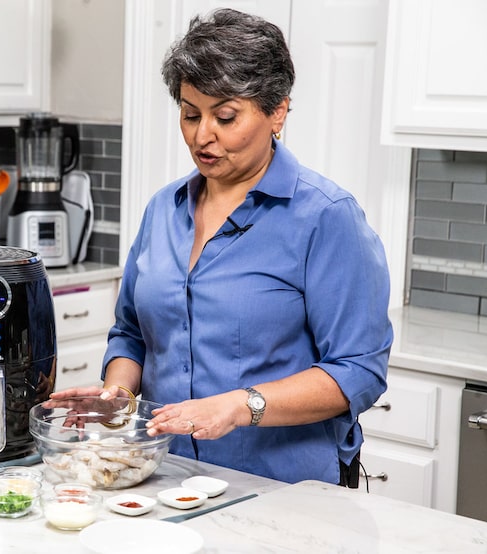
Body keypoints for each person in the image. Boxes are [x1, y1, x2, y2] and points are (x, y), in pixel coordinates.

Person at [49, 8, 393, 486]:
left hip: (282, 488)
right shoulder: (163, 210)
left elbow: (359, 371)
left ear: (277, 111)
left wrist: (240, 406)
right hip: (164, 478)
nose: (201, 134)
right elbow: (132, 333)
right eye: (190, 114)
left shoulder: (326, 217)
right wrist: (118, 394)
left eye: (225, 116)